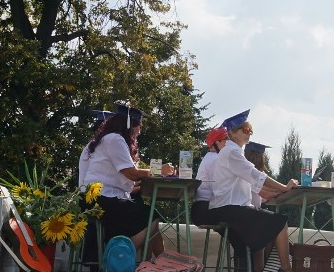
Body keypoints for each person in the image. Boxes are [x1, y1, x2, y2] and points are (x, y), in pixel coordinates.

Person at [208, 109, 297, 272]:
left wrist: (281, 189)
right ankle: (286, 269)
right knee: (280, 223)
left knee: (266, 223)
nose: (249, 133)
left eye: (250, 130)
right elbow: (256, 176)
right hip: (229, 209)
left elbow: (255, 184)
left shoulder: (233, 152)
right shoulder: (232, 153)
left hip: (229, 207)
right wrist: (284, 188)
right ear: (232, 133)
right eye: (245, 130)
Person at [79, 103, 175, 260]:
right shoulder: (115, 139)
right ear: (129, 125)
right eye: (139, 126)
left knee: (147, 213)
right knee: (151, 216)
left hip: (97, 197)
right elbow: (130, 173)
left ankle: (159, 262)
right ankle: (120, 255)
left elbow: (120, 179)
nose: (139, 131)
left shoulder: (106, 139)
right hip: (101, 199)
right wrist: (159, 171)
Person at [191, 126, 229, 226]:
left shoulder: (210, 157)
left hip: (202, 208)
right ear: (217, 143)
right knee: (239, 217)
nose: (229, 142)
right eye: (226, 139)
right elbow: (218, 188)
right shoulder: (215, 159)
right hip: (205, 209)